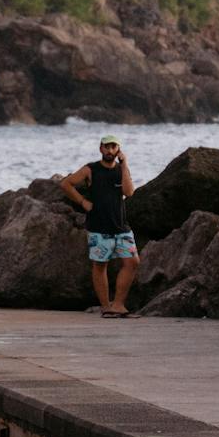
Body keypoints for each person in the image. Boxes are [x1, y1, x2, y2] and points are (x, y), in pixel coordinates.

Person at [61, 133, 137, 317]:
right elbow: (66, 184)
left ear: (118, 149)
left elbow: (129, 192)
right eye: (106, 147)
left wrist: (125, 164)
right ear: (100, 148)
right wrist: (82, 202)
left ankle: (118, 304)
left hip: (121, 227)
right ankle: (106, 307)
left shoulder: (121, 170)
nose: (110, 150)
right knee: (100, 265)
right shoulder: (90, 169)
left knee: (133, 262)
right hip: (98, 227)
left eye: (113, 147)